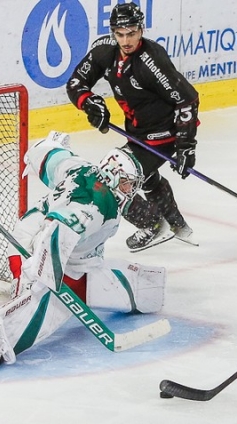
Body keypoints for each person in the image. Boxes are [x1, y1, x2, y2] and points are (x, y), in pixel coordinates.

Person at [0, 130, 166, 367]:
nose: (131, 191)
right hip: (34, 243)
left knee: (146, 291)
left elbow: (51, 157)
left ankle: (65, 286)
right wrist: (46, 276)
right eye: (128, 184)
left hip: (73, 253)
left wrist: (45, 147)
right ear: (113, 176)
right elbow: (56, 232)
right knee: (40, 301)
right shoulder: (95, 206)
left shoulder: (83, 169)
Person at [66, 2, 200, 252]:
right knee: (146, 177)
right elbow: (76, 84)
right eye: (120, 34)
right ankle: (178, 225)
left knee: (112, 179)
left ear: (141, 30)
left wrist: (186, 146)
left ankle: (152, 225)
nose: (126, 40)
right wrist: (90, 103)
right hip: (137, 132)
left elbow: (187, 99)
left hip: (164, 135)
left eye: (131, 33)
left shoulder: (152, 61)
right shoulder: (104, 51)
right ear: (112, 32)